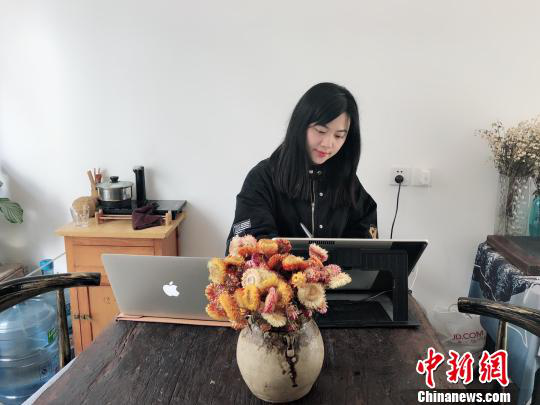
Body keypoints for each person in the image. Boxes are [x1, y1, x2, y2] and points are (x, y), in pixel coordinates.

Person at [226, 82, 377, 251]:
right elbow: (250, 245)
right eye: (320, 131)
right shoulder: (262, 178)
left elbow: (366, 247)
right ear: (300, 125)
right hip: (275, 269)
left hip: (338, 270)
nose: (328, 144)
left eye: (339, 136)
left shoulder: (347, 182)